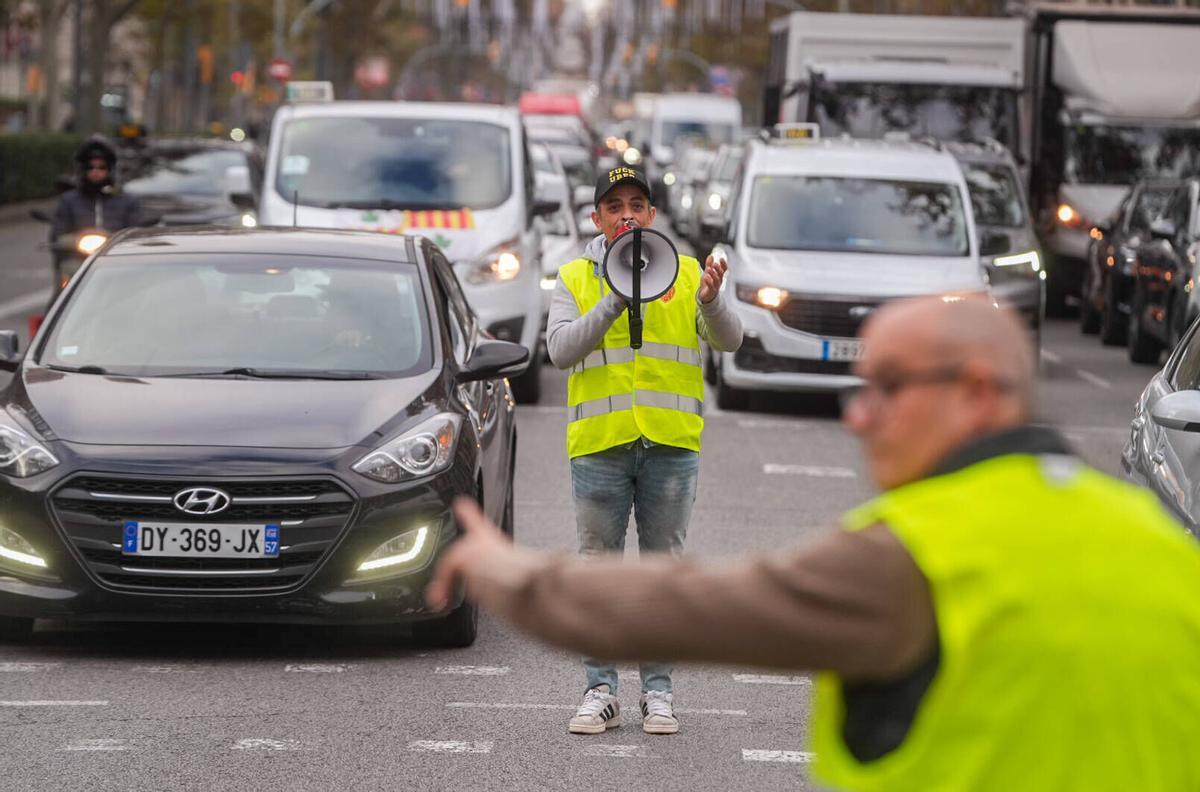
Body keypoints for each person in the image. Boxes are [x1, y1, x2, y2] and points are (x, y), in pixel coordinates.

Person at [428, 296, 1200, 790]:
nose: (859, 418)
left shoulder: (916, 554)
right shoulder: (1161, 545)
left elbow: (684, 608)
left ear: (976, 394)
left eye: (890, 388)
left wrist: (507, 572)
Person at [540, 165, 743, 735]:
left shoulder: (684, 271)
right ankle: (599, 689)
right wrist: (611, 297)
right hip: (600, 447)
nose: (626, 214)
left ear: (652, 214)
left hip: (671, 447)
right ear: (597, 218)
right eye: (614, 206)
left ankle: (659, 692)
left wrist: (712, 301)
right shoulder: (575, 276)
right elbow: (559, 351)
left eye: (637, 204)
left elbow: (730, 340)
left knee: (661, 573)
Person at [50, 135, 142, 242]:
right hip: (75, 256)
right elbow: (58, 235)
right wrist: (75, 240)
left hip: (117, 256)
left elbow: (135, 234)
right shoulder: (68, 200)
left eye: (102, 167)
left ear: (110, 170)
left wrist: (112, 240)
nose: (96, 171)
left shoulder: (129, 201)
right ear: (83, 170)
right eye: (90, 167)